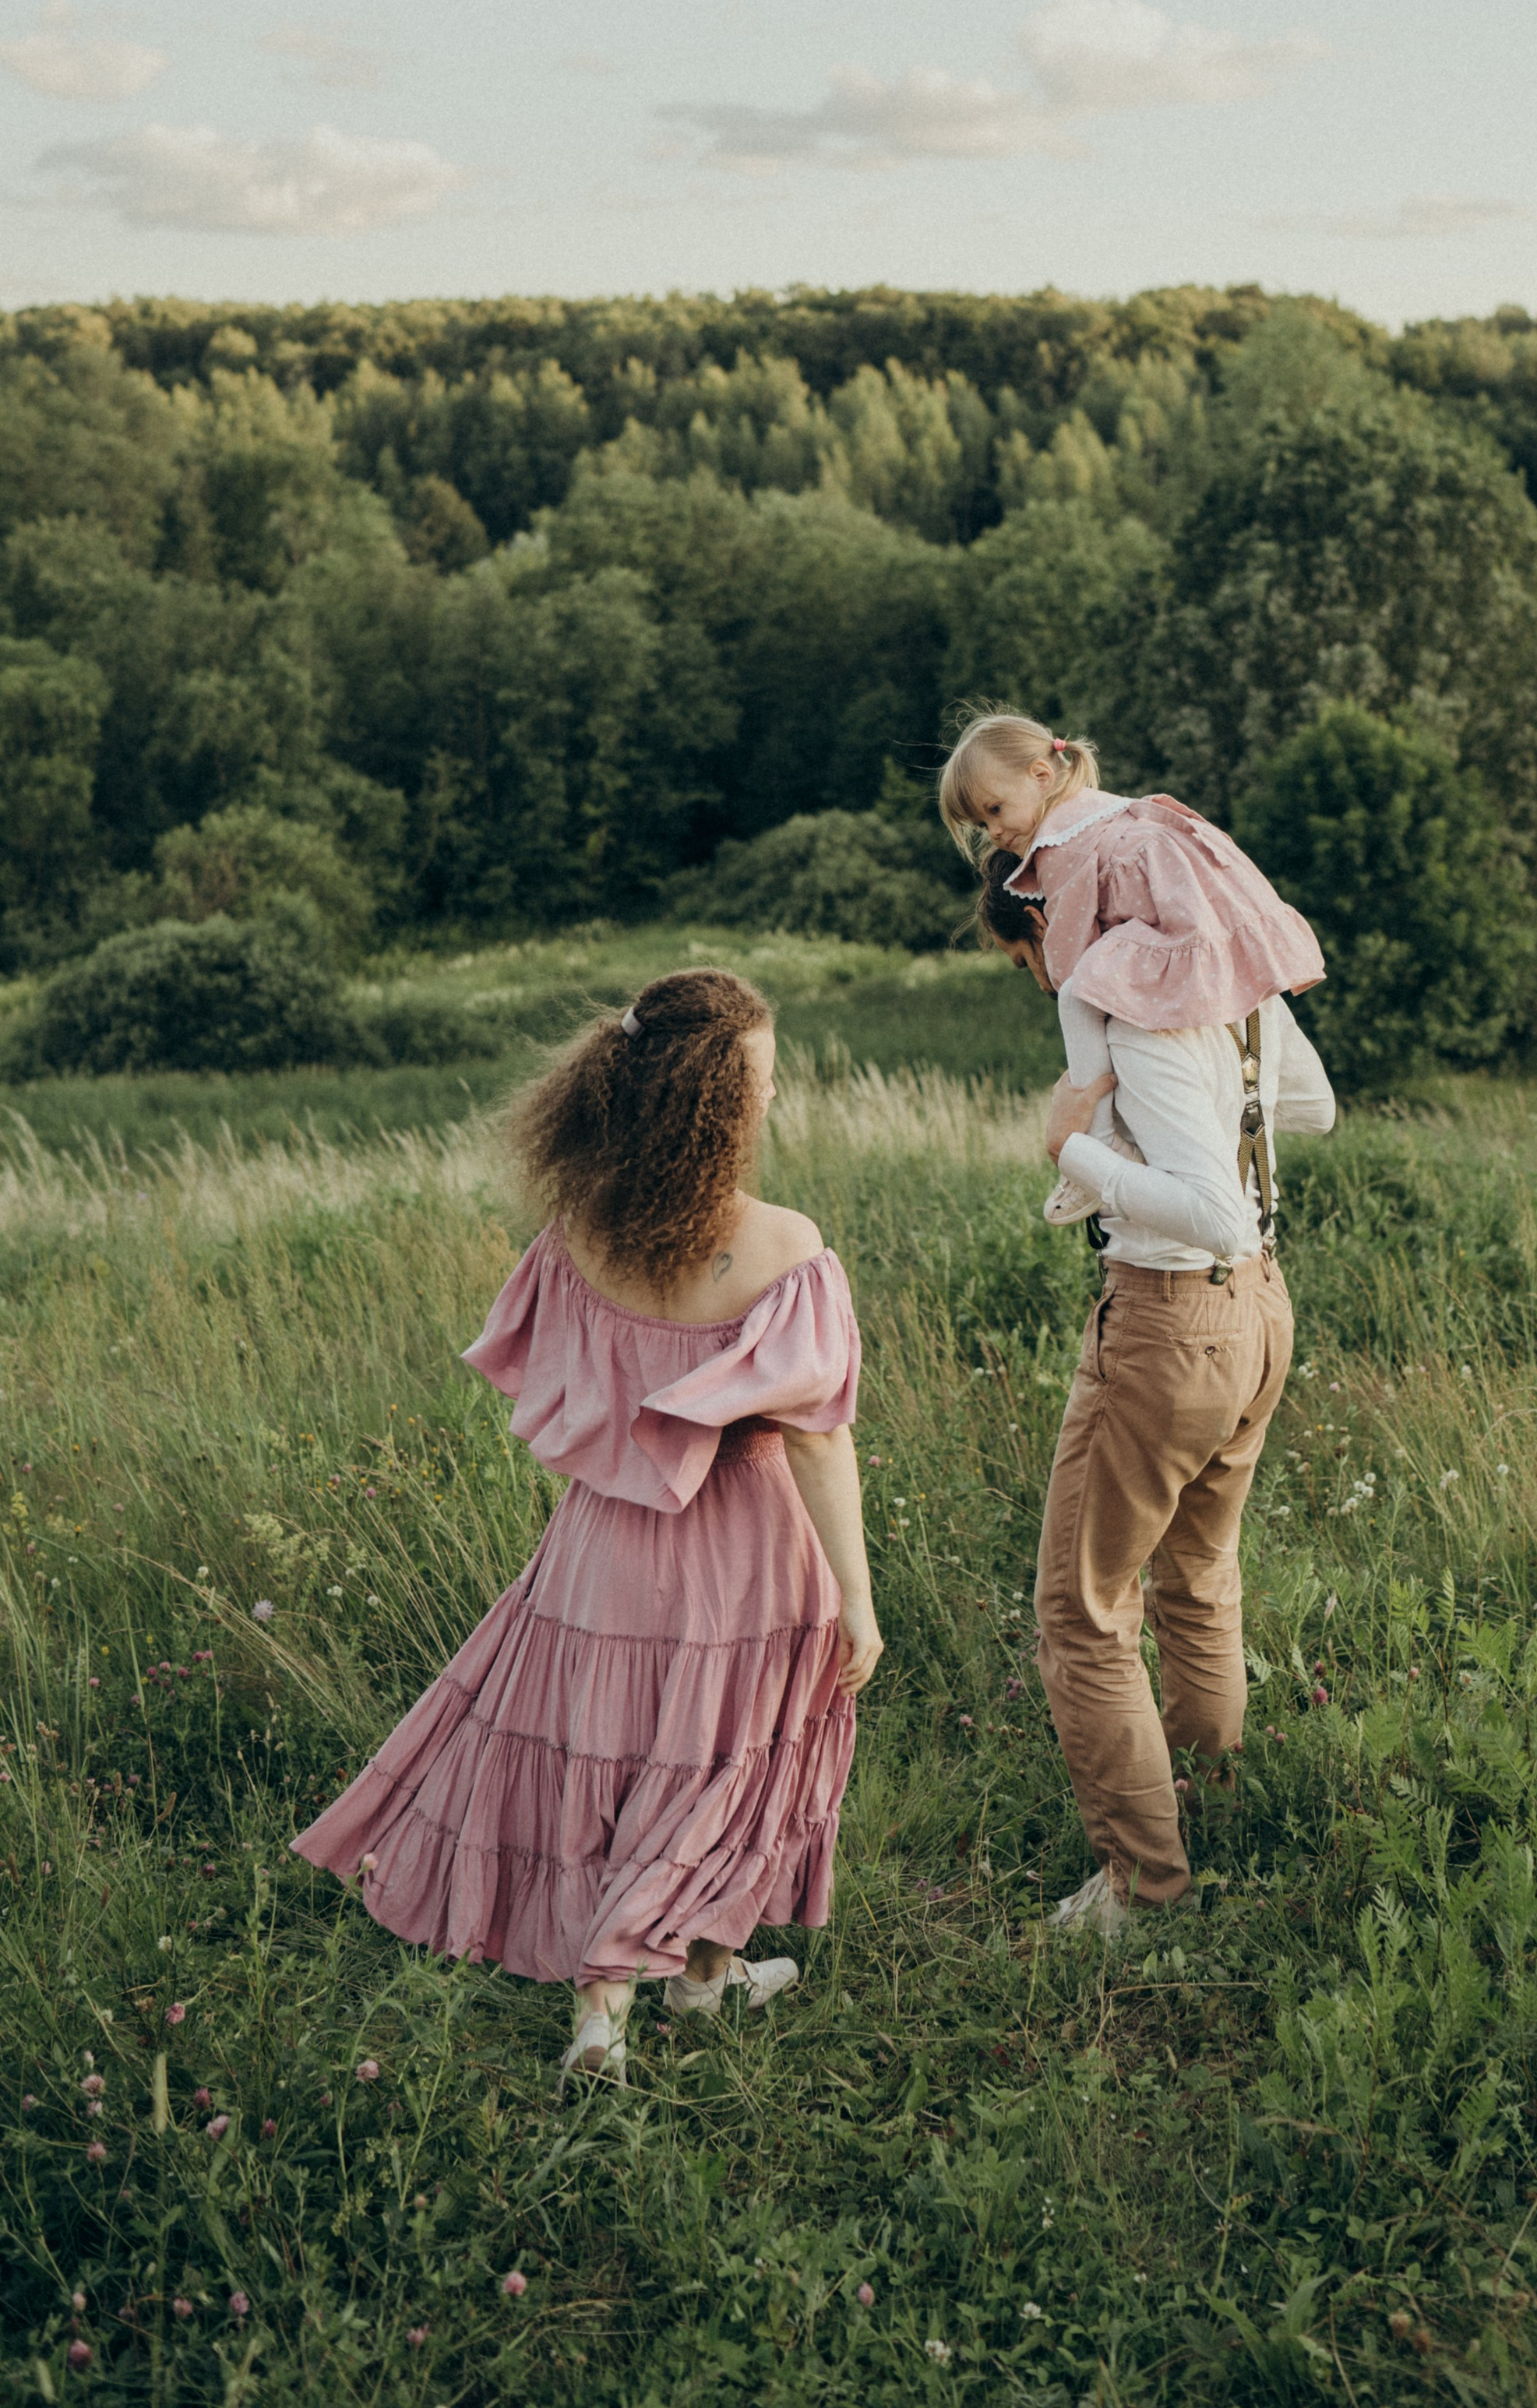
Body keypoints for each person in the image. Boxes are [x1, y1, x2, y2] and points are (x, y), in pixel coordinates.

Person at [291, 968, 883, 2086]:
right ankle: (687, 1973)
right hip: (743, 1549)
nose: (773, 1096)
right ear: (718, 1101)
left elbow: (561, 1385)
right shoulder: (783, 1245)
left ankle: (620, 2011)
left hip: (600, 1549)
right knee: (726, 1761)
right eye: (761, 1077)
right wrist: (856, 1595)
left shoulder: (582, 1233)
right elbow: (815, 1439)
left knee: (608, 1757)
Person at [976, 847, 1336, 1936]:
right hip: (1263, 1312)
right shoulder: (1237, 991)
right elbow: (1311, 1110)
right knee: (1200, 1576)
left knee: (1081, 1614)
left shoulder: (1132, 1021)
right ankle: (1210, 1810)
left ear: (1061, 920)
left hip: (1172, 1323)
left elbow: (1211, 1211)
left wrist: (1077, 1149)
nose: (1044, 982)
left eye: (1030, 953)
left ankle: (1144, 1884)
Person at [937, 713, 1324, 1227]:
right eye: (983, 824)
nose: (995, 831)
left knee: (1077, 994)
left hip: (1175, 926)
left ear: (1041, 776)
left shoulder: (1057, 842)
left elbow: (1071, 937)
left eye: (995, 810)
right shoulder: (1100, 809)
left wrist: (1080, 987)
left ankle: (1094, 1144)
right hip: (1209, 918)